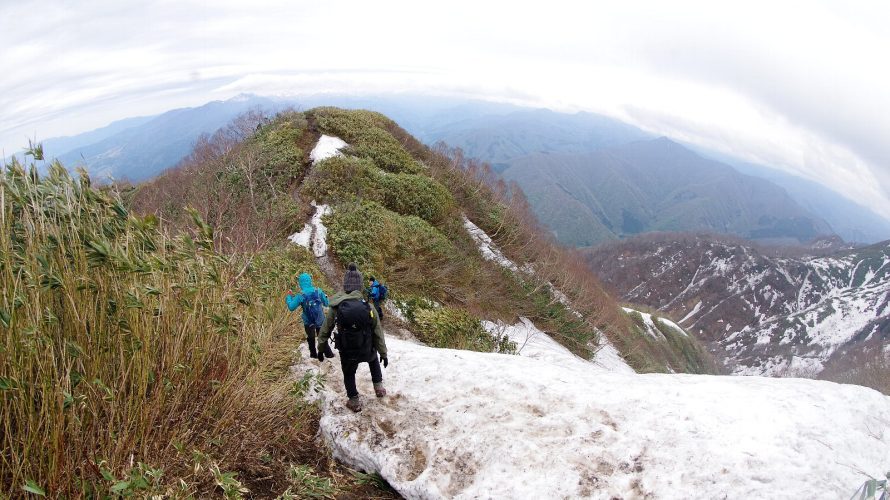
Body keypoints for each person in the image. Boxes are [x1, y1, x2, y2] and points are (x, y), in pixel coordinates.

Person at [317, 263, 388, 412]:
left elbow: (325, 328)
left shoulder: (336, 306)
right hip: (367, 348)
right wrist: (383, 353)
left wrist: (321, 347)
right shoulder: (368, 306)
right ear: (360, 286)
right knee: (373, 359)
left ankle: (354, 401)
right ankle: (379, 387)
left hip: (347, 350)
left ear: (345, 285)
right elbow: (377, 331)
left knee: (348, 372)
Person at [285, 272, 335, 359]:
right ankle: (329, 356)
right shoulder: (318, 291)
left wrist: (289, 297)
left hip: (308, 322)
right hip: (320, 320)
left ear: (300, 283)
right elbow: (327, 304)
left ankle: (313, 356)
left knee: (311, 338)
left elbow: (291, 307)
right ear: (310, 281)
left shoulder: (300, 295)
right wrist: (325, 297)